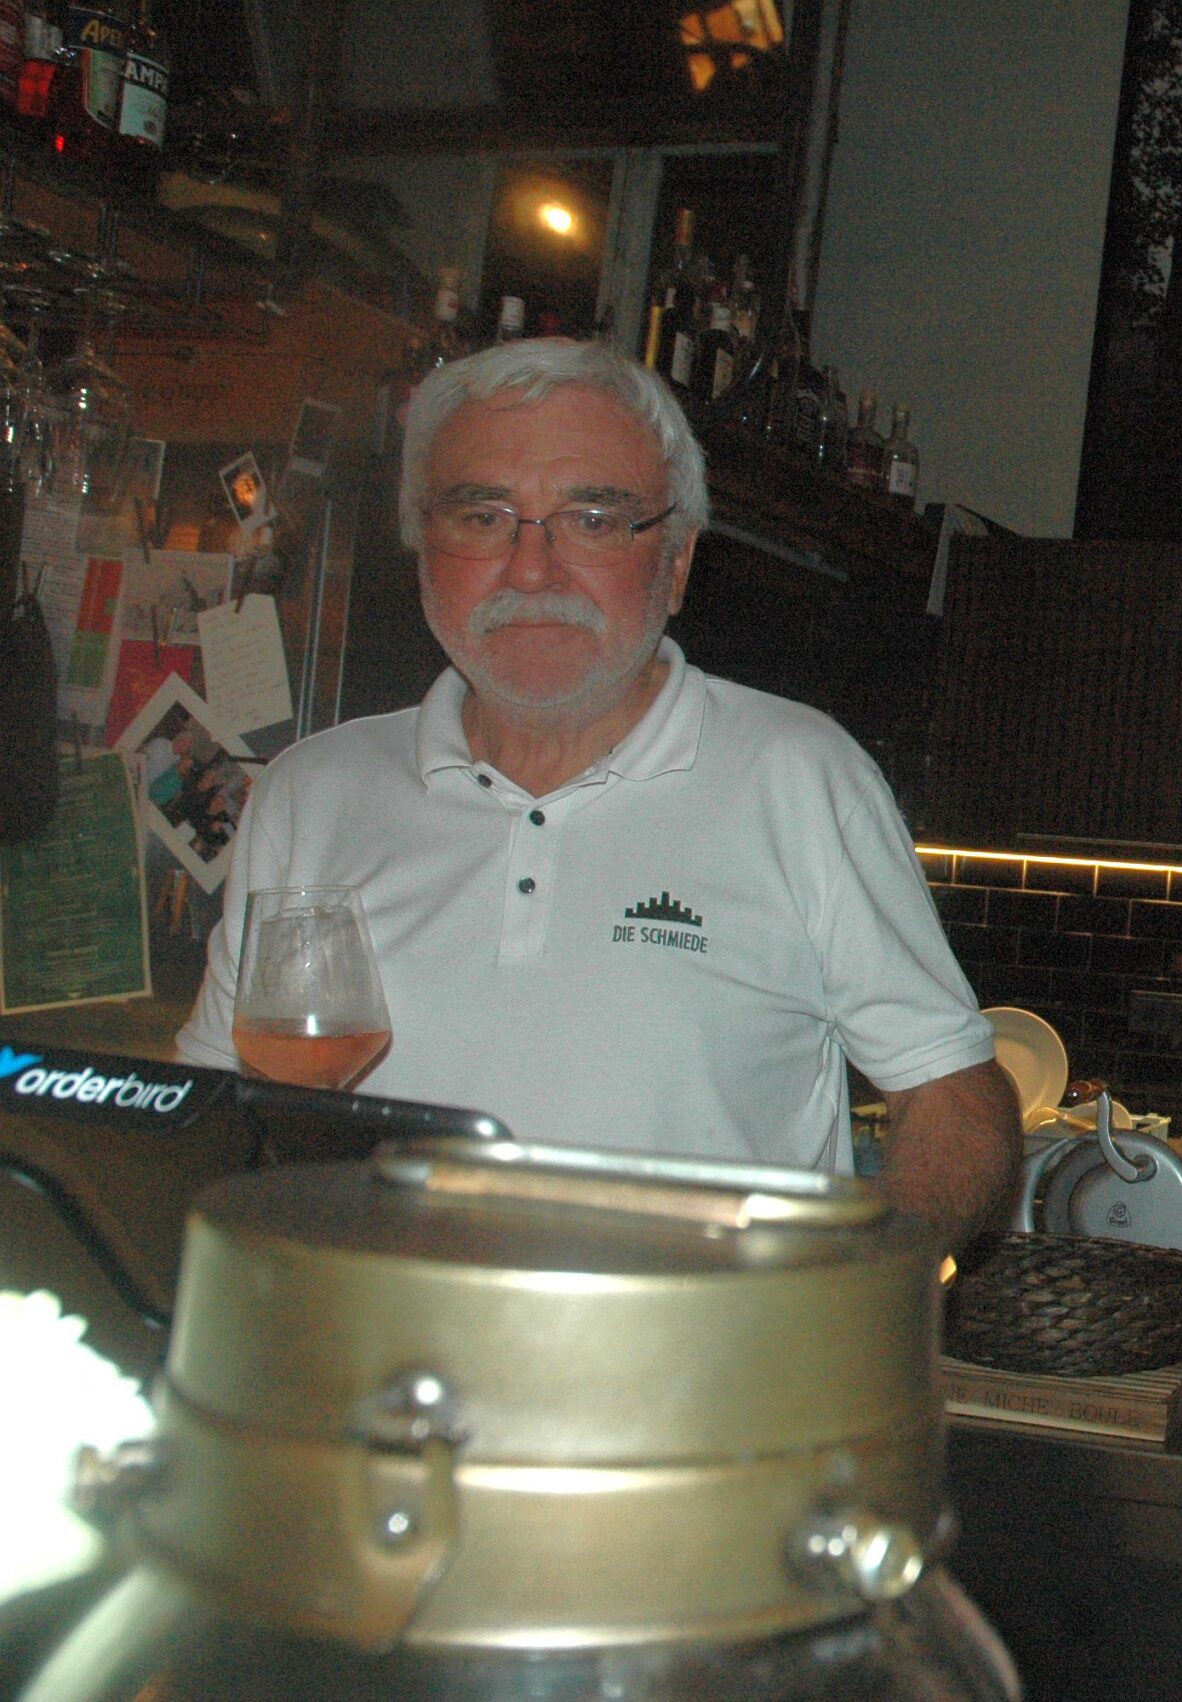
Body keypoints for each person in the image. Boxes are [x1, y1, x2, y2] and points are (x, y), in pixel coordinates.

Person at [177, 338, 1019, 1244]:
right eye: (483, 517)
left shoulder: (801, 776)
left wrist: (862, 1288)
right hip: (372, 1330)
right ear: (422, 549)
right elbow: (210, 1112)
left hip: (697, 1338)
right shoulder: (310, 793)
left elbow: (952, 1097)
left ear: (679, 562)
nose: (530, 570)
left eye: (592, 519)